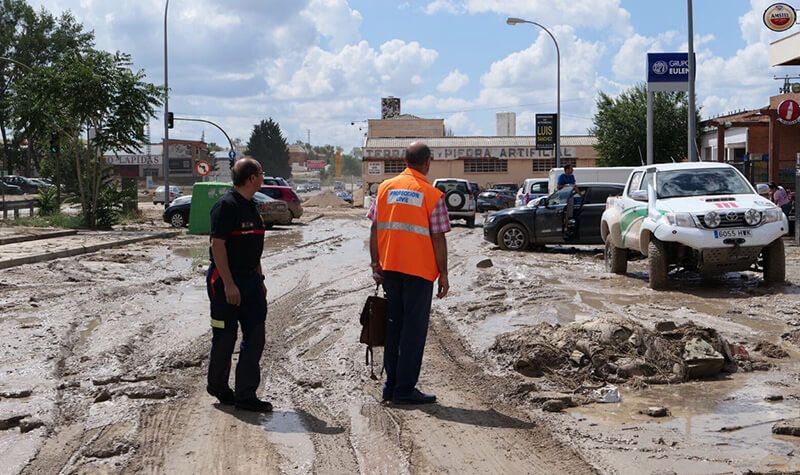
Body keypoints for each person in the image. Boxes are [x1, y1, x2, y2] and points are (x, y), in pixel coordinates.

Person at [367, 142, 450, 405]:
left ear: (405, 160)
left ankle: (391, 386)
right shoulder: (431, 194)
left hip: (390, 268)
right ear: (427, 163)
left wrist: (375, 264)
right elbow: (438, 239)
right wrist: (444, 274)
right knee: (413, 333)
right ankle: (404, 389)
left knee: (393, 328)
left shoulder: (384, 188)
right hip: (419, 273)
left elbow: (374, 229)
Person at [206, 158, 272, 412]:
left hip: (251, 281)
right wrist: (229, 285)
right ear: (252, 177)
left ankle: (246, 395)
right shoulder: (226, 206)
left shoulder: (252, 206)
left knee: (256, 336)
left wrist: (260, 279)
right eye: (261, 173)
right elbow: (218, 245)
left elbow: (252, 249)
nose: (263, 177)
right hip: (226, 281)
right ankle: (219, 386)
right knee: (225, 336)